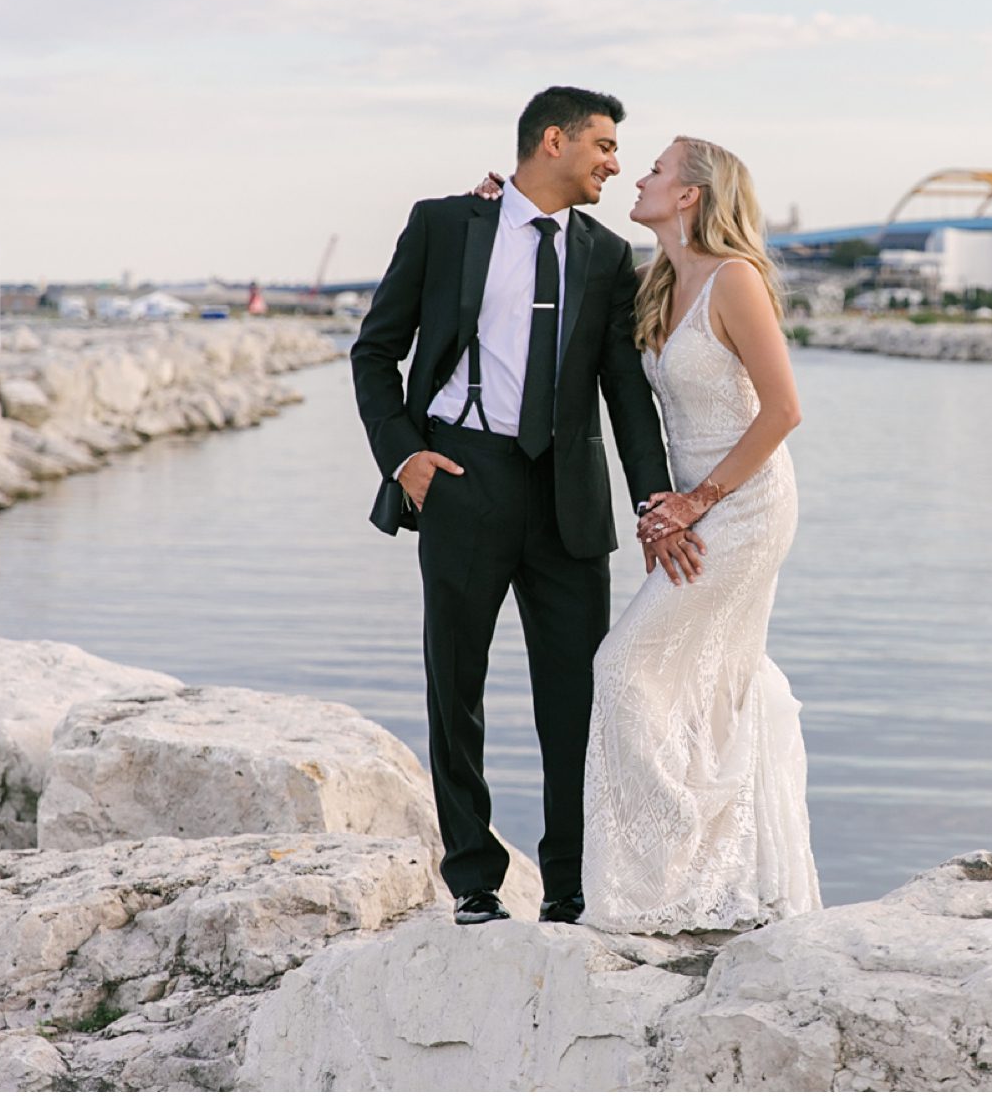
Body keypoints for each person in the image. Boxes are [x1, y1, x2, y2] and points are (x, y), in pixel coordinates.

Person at [350, 87, 703, 928]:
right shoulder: (444, 225)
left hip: (568, 497)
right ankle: (473, 878)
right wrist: (405, 455)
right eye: (606, 146)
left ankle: (570, 884)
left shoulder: (610, 256)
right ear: (555, 140)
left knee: (576, 697)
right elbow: (375, 350)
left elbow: (625, 395)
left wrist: (656, 503)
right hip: (462, 478)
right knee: (456, 684)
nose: (616, 164)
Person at [577, 135, 821, 934]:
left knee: (623, 667)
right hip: (695, 507)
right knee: (703, 681)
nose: (638, 177)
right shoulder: (657, 279)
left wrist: (698, 499)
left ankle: (670, 865)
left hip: (745, 508)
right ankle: (712, 878)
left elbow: (783, 409)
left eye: (654, 169)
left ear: (690, 194)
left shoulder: (734, 278)